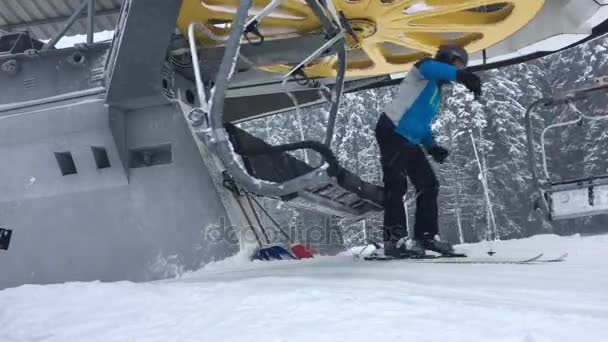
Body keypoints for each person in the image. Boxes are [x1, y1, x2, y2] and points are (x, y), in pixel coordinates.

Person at [375, 44, 482, 258]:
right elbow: (431, 68)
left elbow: (421, 124)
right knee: (396, 184)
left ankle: (426, 236)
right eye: (458, 64)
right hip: (392, 130)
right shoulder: (423, 70)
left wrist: (431, 145)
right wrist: (462, 76)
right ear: (447, 59)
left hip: (409, 138)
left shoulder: (434, 92)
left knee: (428, 184)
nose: (458, 71)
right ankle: (394, 240)